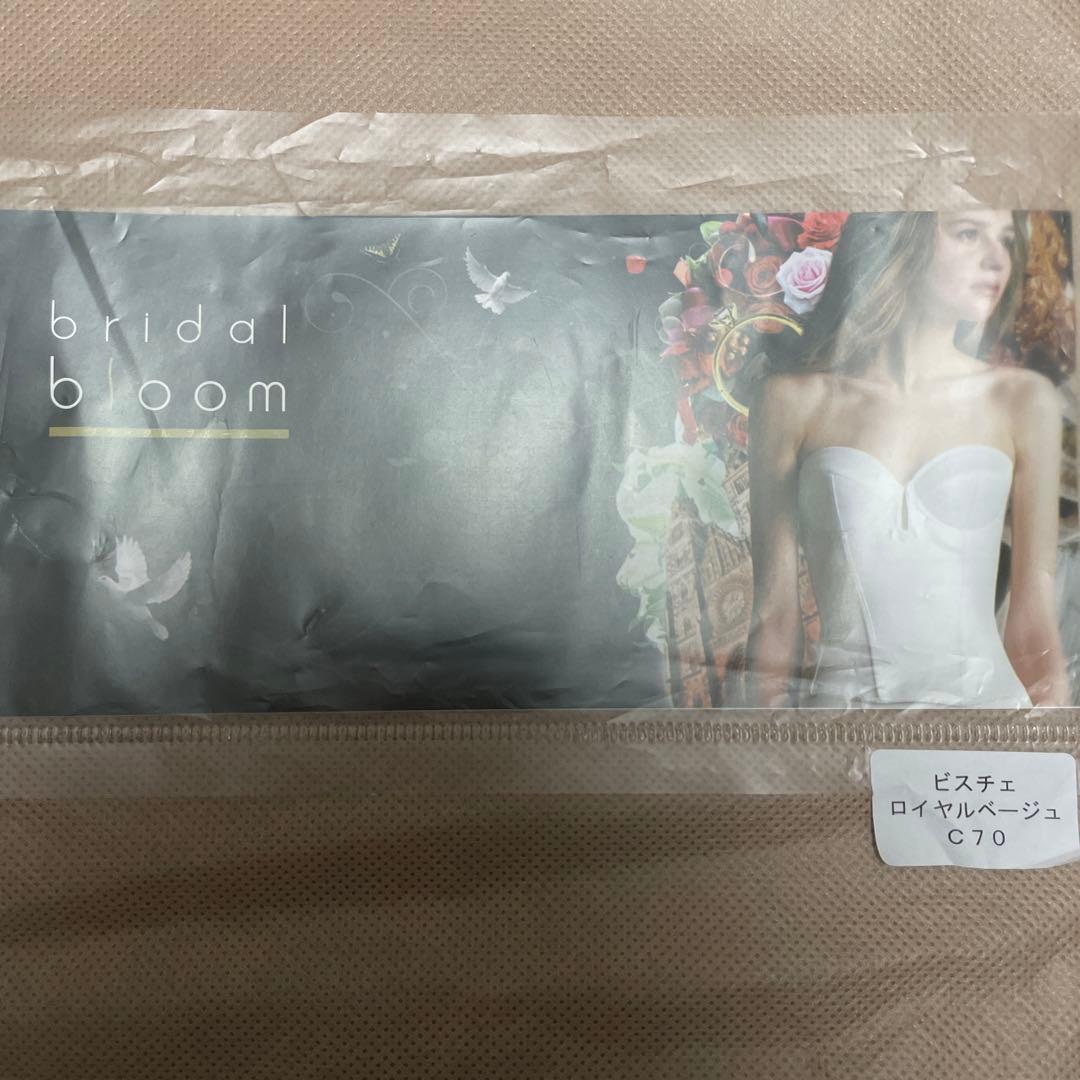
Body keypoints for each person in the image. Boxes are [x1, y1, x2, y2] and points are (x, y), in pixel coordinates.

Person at [744, 210, 1070, 709]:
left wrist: (1054, 747)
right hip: (842, 733)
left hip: (990, 727)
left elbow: (1034, 619)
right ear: (900, 235)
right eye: (968, 233)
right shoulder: (791, 401)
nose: (997, 260)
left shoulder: (1022, 400)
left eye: (1005, 240)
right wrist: (761, 749)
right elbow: (773, 615)